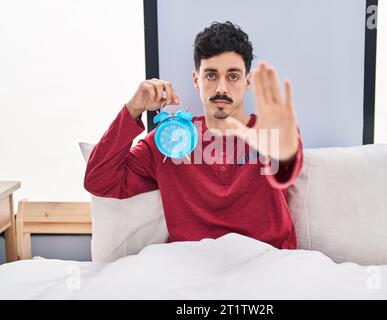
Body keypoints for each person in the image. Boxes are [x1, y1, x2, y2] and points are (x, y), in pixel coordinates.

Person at [84, 21, 303, 249]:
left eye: (233, 76)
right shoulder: (169, 139)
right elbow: (99, 181)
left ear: (248, 81)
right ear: (196, 80)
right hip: (193, 266)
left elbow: (289, 158)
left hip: (269, 264)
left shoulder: (274, 132)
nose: (221, 89)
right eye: (210, 76)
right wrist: (132, 110)